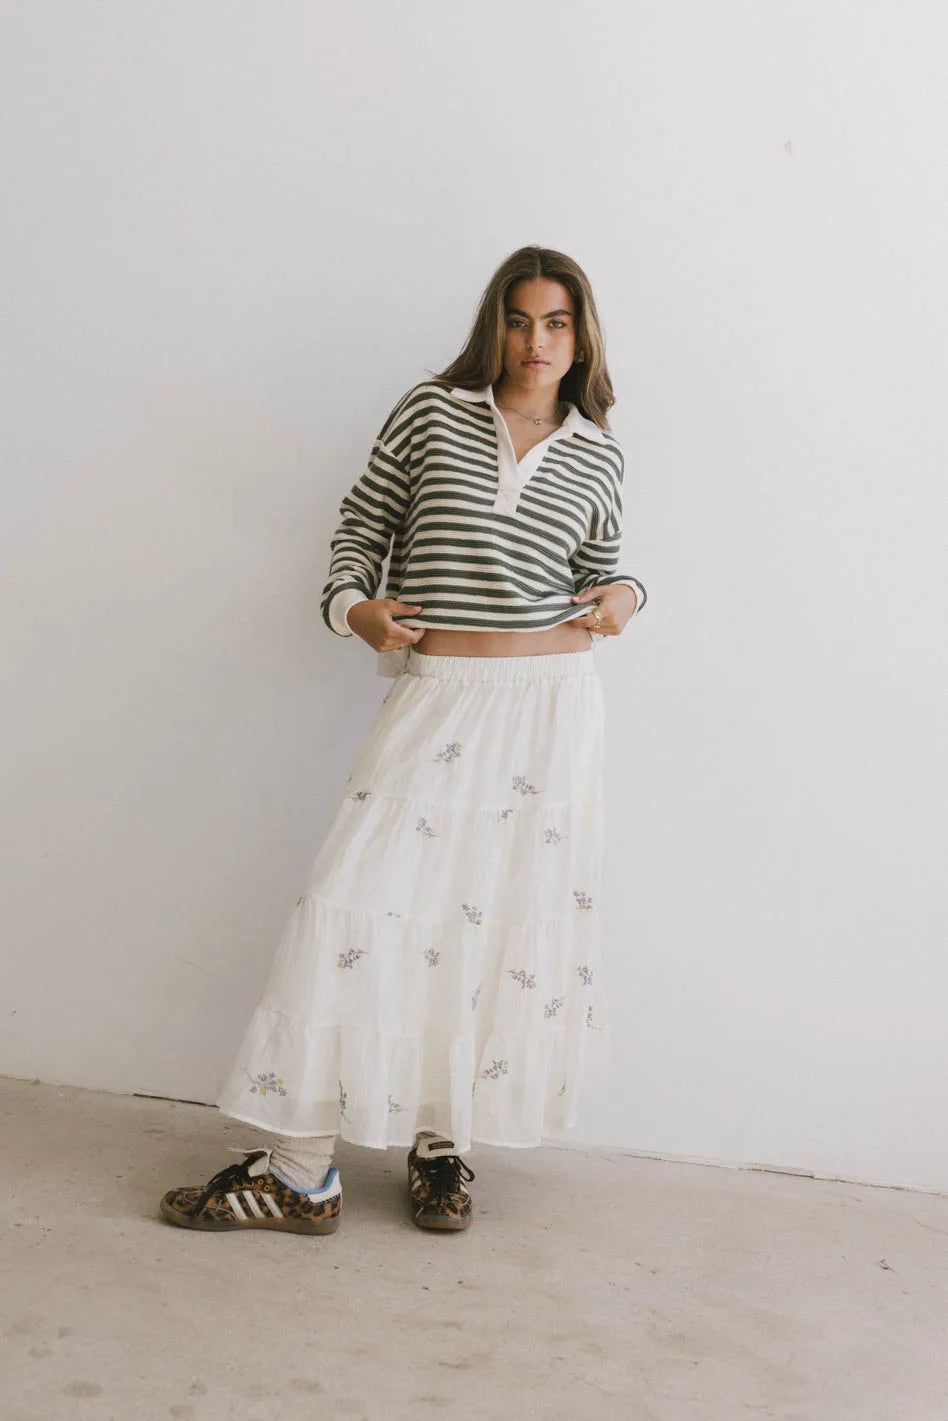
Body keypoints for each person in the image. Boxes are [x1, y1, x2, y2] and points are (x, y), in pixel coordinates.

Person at [159, 244, 648, 1236]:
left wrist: (631, 594)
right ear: (495, 325)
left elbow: (604, 569)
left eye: (557, 322)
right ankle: (300, 1171)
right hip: (441, 695)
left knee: (489, 921)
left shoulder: (597, 451)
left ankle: (441, 1147)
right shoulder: (432, 412)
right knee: (359, 902)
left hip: (552, 708)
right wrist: (354, 610)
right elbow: (361, 524)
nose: (538, 340)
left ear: (582, 334)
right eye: (520, 319)